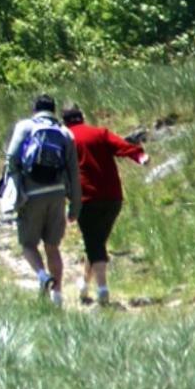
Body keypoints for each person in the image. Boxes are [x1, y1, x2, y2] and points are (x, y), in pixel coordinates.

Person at [62, 104, 148, 306]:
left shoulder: (66, 139)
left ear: (64, 121)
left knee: (94, 244)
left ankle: (102, 290)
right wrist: (140, 156)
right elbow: (122, 146)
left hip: (86, 198)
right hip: (112, 198)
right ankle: (84, 285)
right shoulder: (100, 133)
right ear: (82, 117)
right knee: (97, 243)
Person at [4, 94, 81, 306]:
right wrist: (75, 204)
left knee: (28, 244)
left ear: (34, 109)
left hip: (32, 195)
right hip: (57, 194)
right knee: (52, 246)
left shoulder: (25, 126)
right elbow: (74, 172)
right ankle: (57, 296)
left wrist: (16, 185)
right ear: (54, 110)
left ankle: (42, 276)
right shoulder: (65, 133)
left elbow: (11, 158)